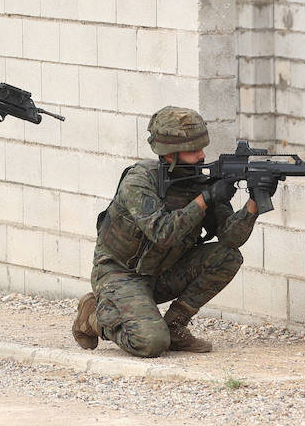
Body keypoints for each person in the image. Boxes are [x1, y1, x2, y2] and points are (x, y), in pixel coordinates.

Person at [72, 106, 265, 358]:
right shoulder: (140, 181)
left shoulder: (202, 181)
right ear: (170, 154)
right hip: (121, 274)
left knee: (227, 257)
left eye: (202, 147)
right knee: (150, 343)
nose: (202, 155)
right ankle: (95, 318)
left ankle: (175, 326)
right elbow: (162, 233)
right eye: (193, 150)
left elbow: (230, 239)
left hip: (163, 273)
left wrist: (254, 204)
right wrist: (205, 199)